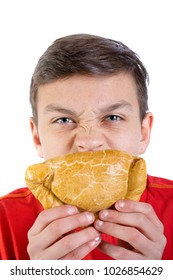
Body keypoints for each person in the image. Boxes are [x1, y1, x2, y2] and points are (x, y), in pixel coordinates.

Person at [0, 33, 173, 260]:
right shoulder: (4, 221)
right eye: (63, 120)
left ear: (143, 133)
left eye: (112, 117)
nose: (89, 142)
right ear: (37, 138)